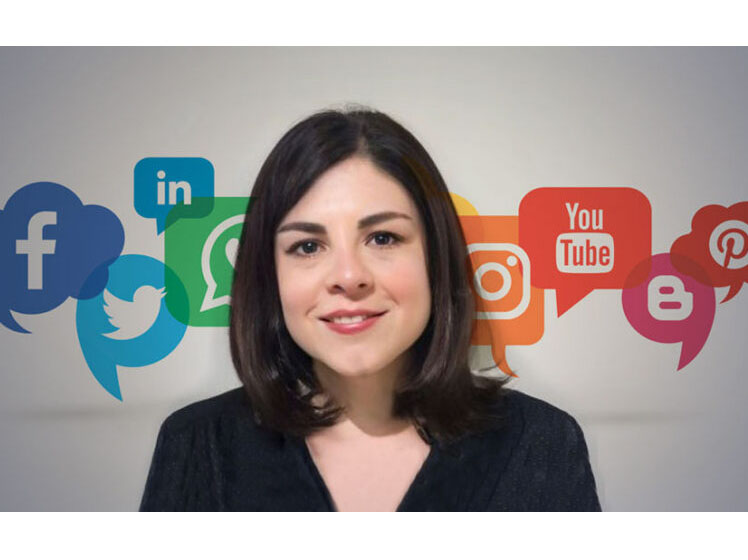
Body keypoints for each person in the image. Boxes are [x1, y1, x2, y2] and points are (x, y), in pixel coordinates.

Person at [139, 107, 601, 512]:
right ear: (268, 275)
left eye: (383, 238)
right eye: (307, 246)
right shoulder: (198, 444)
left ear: (435, 259)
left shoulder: (540, 443)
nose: (348, 275)